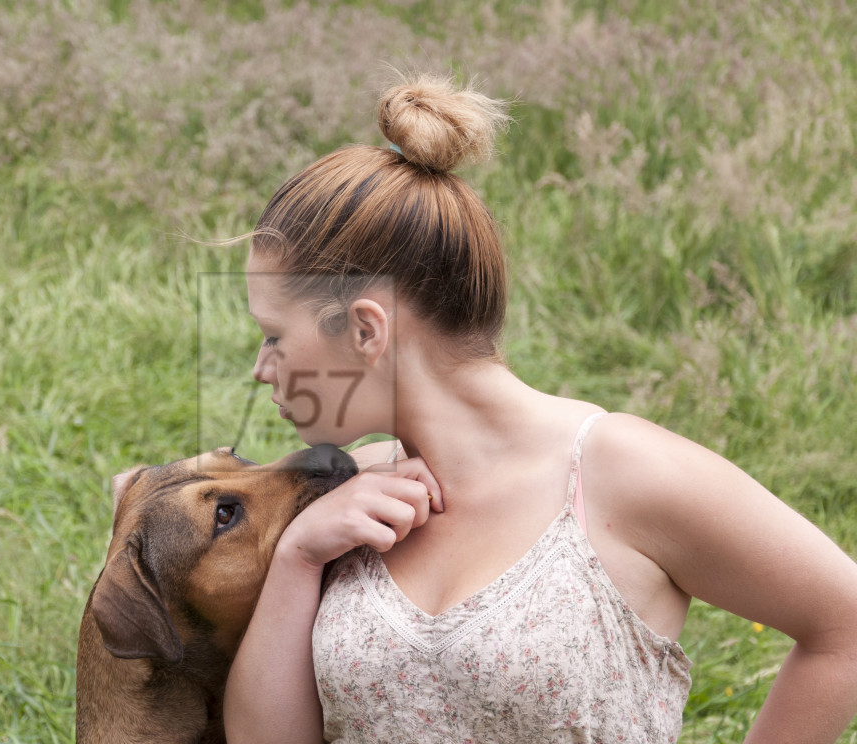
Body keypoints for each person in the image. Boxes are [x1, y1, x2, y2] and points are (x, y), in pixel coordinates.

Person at [223, 73, 857, 743]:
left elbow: (843, 621)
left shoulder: (616, 472)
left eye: (273, 336)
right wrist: (297, 557)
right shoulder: (351, 495)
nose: (261, 368)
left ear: (365, 331)